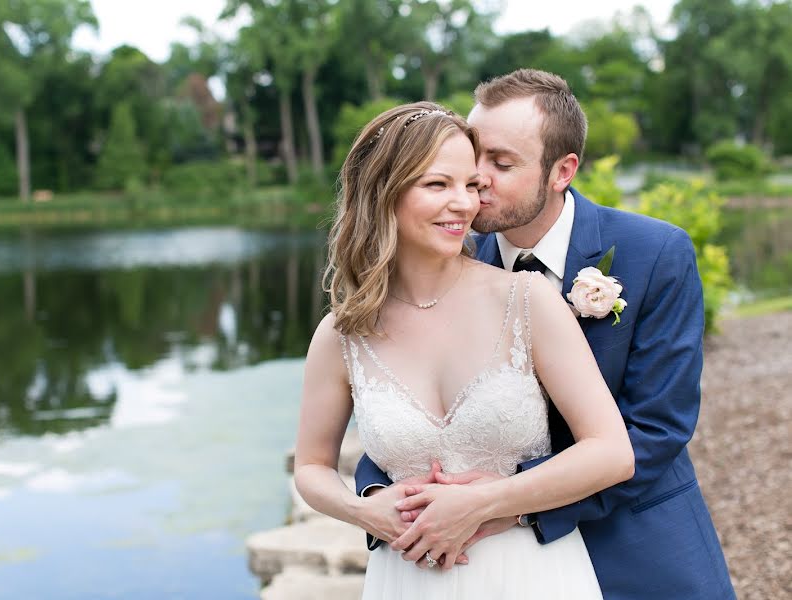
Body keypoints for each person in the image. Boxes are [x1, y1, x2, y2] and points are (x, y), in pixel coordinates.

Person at [355, 70, 736, 599]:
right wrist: (381, 494)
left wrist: (510, 505)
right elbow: (411, 403)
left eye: (501, 163)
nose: (477, 178)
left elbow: (656, 431)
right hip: (486, 566)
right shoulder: (449, 260)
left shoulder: (656, 255)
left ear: (562, 171)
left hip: (636, 551)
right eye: (472, 154)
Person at [293, 100, 636, 598]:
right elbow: (311, 468)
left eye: (471, 185)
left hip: (529, 575)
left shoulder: (526, 299)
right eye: (438, 184)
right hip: (405, 577)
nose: (465, 204)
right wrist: (364, 510)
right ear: (383, 194)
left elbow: (612, 453)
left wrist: (488, 502)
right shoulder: (341, 334)